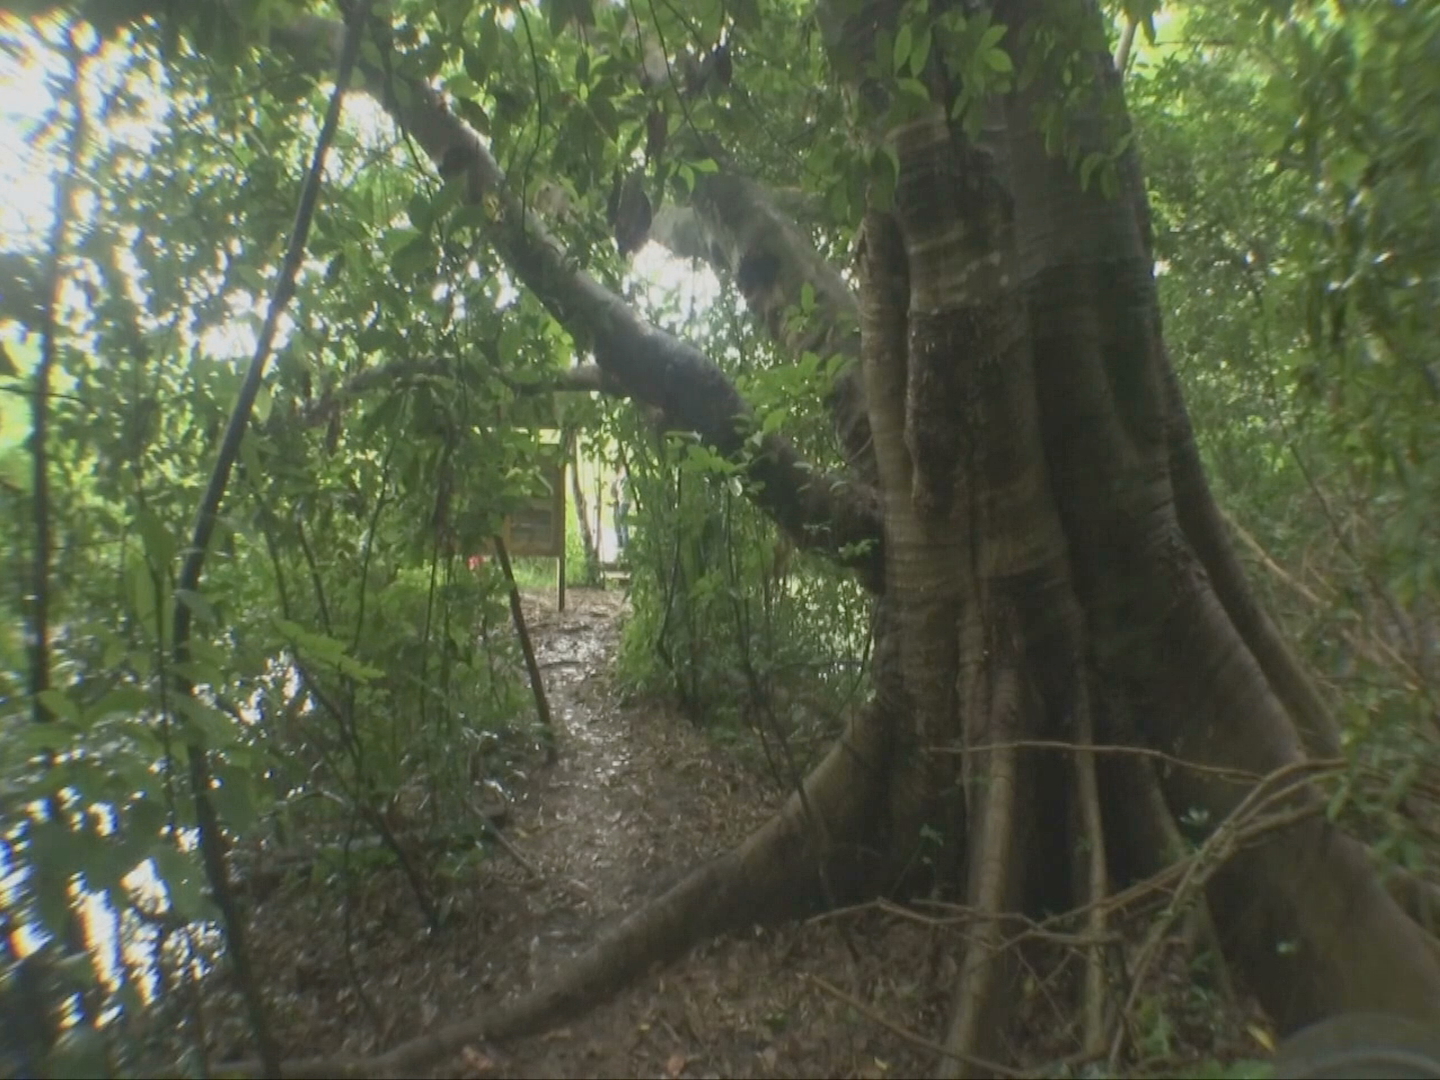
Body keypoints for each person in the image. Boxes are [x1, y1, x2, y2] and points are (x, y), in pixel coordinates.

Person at [611, 469, 630, 552]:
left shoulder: (624, 477)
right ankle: (622, 544)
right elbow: (613, 492)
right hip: (620, 502)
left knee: (622, 523)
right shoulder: (618, 478)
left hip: (624, 502)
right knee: (619, 523)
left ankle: (626, 547)